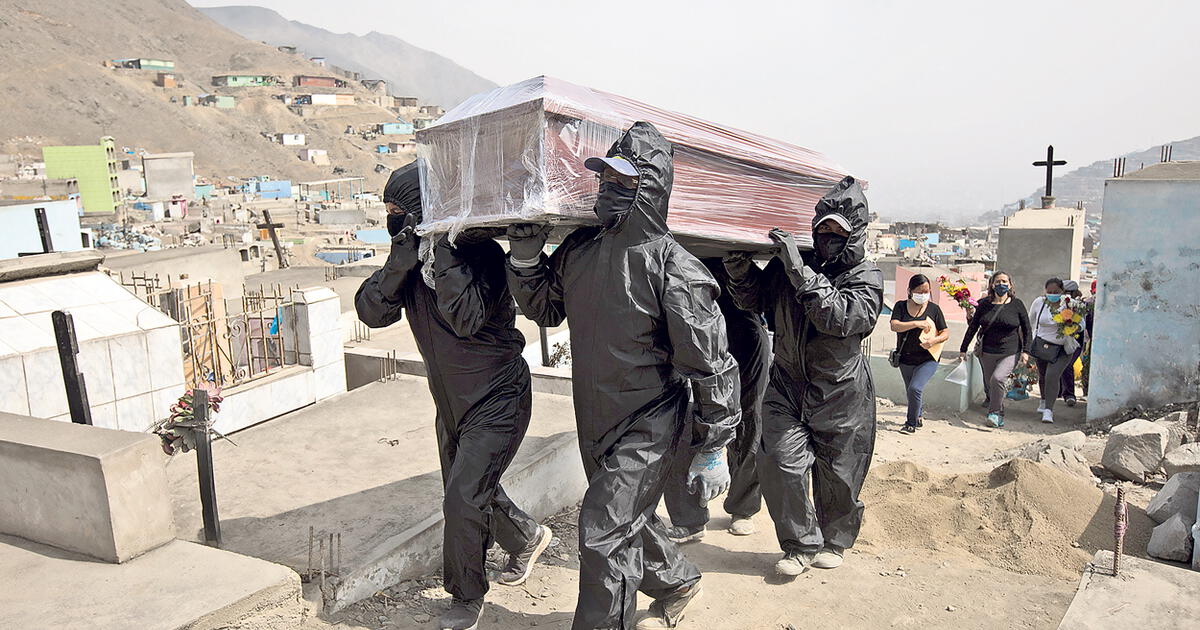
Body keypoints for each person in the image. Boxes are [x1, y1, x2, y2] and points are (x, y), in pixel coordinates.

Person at [505, 121, 742, 630]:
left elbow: (713, 362)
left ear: (650, 189)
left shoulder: (674, 269)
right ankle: (676, 579)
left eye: (622, 180)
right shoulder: (581, 250)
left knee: (601, 529)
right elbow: (548, 310)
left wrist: (715, 444)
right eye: (605, 179)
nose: (608, 189)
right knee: (622, 516)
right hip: (594, 412)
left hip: (650, 420)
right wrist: (525, 263)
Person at [355, 164, 552, 630]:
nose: (392, 219)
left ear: (425, 210)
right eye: (388, 212)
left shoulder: (481, 254)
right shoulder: (407, 258)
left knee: (463, 498)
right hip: (451, 403)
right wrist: (397, 265)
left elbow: (465, 318)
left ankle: (466, 598)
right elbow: (371, 313)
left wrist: (444, 250)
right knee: (467, 490)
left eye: (399, 210)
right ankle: (526, 538)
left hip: (499, 397)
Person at [723, 176, 884, 577]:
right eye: (823, 226)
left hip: (840, 390)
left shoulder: (866, 277)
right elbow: (756, 299)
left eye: (838, 230)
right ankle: (799, 544)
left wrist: (798, 269)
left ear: (855, 234)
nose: (827, 235)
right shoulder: (790, 265)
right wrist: (739, 268)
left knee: (839, 473)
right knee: (778, 461)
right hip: (787, 382)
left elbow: (842, 317)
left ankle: (835, 539)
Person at [664, 258, 770, 543]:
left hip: (741, 334)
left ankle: (743, 508)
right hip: (689, 335)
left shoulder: (730, 249)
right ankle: (689, 519)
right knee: (683, 421)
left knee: (748, 421)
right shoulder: (673, 248)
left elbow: (759, 293)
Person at [958, 271, 1030, 428]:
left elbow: (1027, 329)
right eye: (997, 281)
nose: (1001, 284)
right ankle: (999, 412)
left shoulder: (1017, 305)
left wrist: (1026, 351)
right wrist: (963, 348)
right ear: (992, 284)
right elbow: (973, 327)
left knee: (998, 379)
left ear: (1010, 285)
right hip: (987, 352)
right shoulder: (984, 304)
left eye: (1004, 281)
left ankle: (994, 414)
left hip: (1010, 351)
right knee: (991, 385)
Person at [889, 274, 949, 434]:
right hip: (905, 358)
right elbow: (894, 326)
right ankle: (919, 415)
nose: (923, 295)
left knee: (915, 388)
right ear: (910, 291)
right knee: (911, 390)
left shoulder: (934, 309)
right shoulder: (900, 306)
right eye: (919, 291)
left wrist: (933, 341)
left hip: (928, 358)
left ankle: (911, 423)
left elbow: (945, 332)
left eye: (926, 291)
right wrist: (915, 323)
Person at [1027, 277, 1080, 424]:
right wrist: (1029, 342)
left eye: (1055, 292)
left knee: (1052, 376)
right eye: (1049, 292)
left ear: (1062, 291)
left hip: (1063, 348)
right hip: (1043, 346)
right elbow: (1031, 322)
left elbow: (1080, 323)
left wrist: (1072, 325)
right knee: (1043, 375)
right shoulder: (1039, 303)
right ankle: (1044, 400)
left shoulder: (1070, 304)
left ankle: (1048, 410)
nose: (1052, 294)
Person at [1058, 280, 1085, 407]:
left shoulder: (1079, 306)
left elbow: (1082, 325)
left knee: (1067, 365)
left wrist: (1073, 326)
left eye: (1069, 293)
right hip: (1059, 341)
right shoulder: (1057, 305)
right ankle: (1057, 392)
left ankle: (1069, 394)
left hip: (1075, 342)